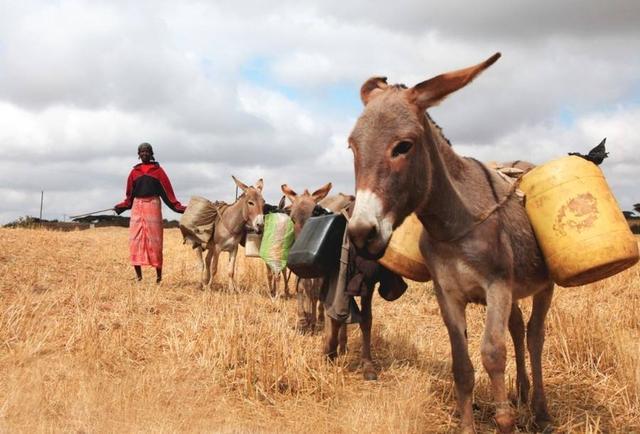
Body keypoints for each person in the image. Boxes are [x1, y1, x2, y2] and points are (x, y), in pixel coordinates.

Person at [114, 143, 186, 283]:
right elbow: (129, 197)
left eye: (147, 151)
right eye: (142, 151)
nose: (144, 154)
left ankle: (158, 278)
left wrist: (181, 208)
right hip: (137, 207)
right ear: (138, 154)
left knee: (155, 242)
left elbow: (168, 194)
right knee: (135, 241)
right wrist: (120, 207)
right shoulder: (134, 172)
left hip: (153, 206)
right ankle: (138, 277)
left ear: (151, 153)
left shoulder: (158, 171)